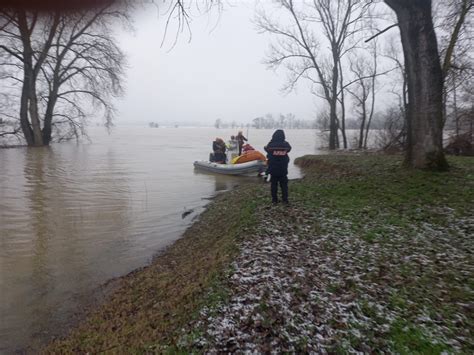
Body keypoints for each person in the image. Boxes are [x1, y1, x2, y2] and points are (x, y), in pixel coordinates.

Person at [264, 129, 292, 204]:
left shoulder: (271, 145)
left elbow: (266, 148)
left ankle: (274, 200)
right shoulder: (286, 145)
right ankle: (285, 200)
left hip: (273, 169)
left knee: (274, 185)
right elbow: (289, 149)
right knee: (284, 186)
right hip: (283, 169)